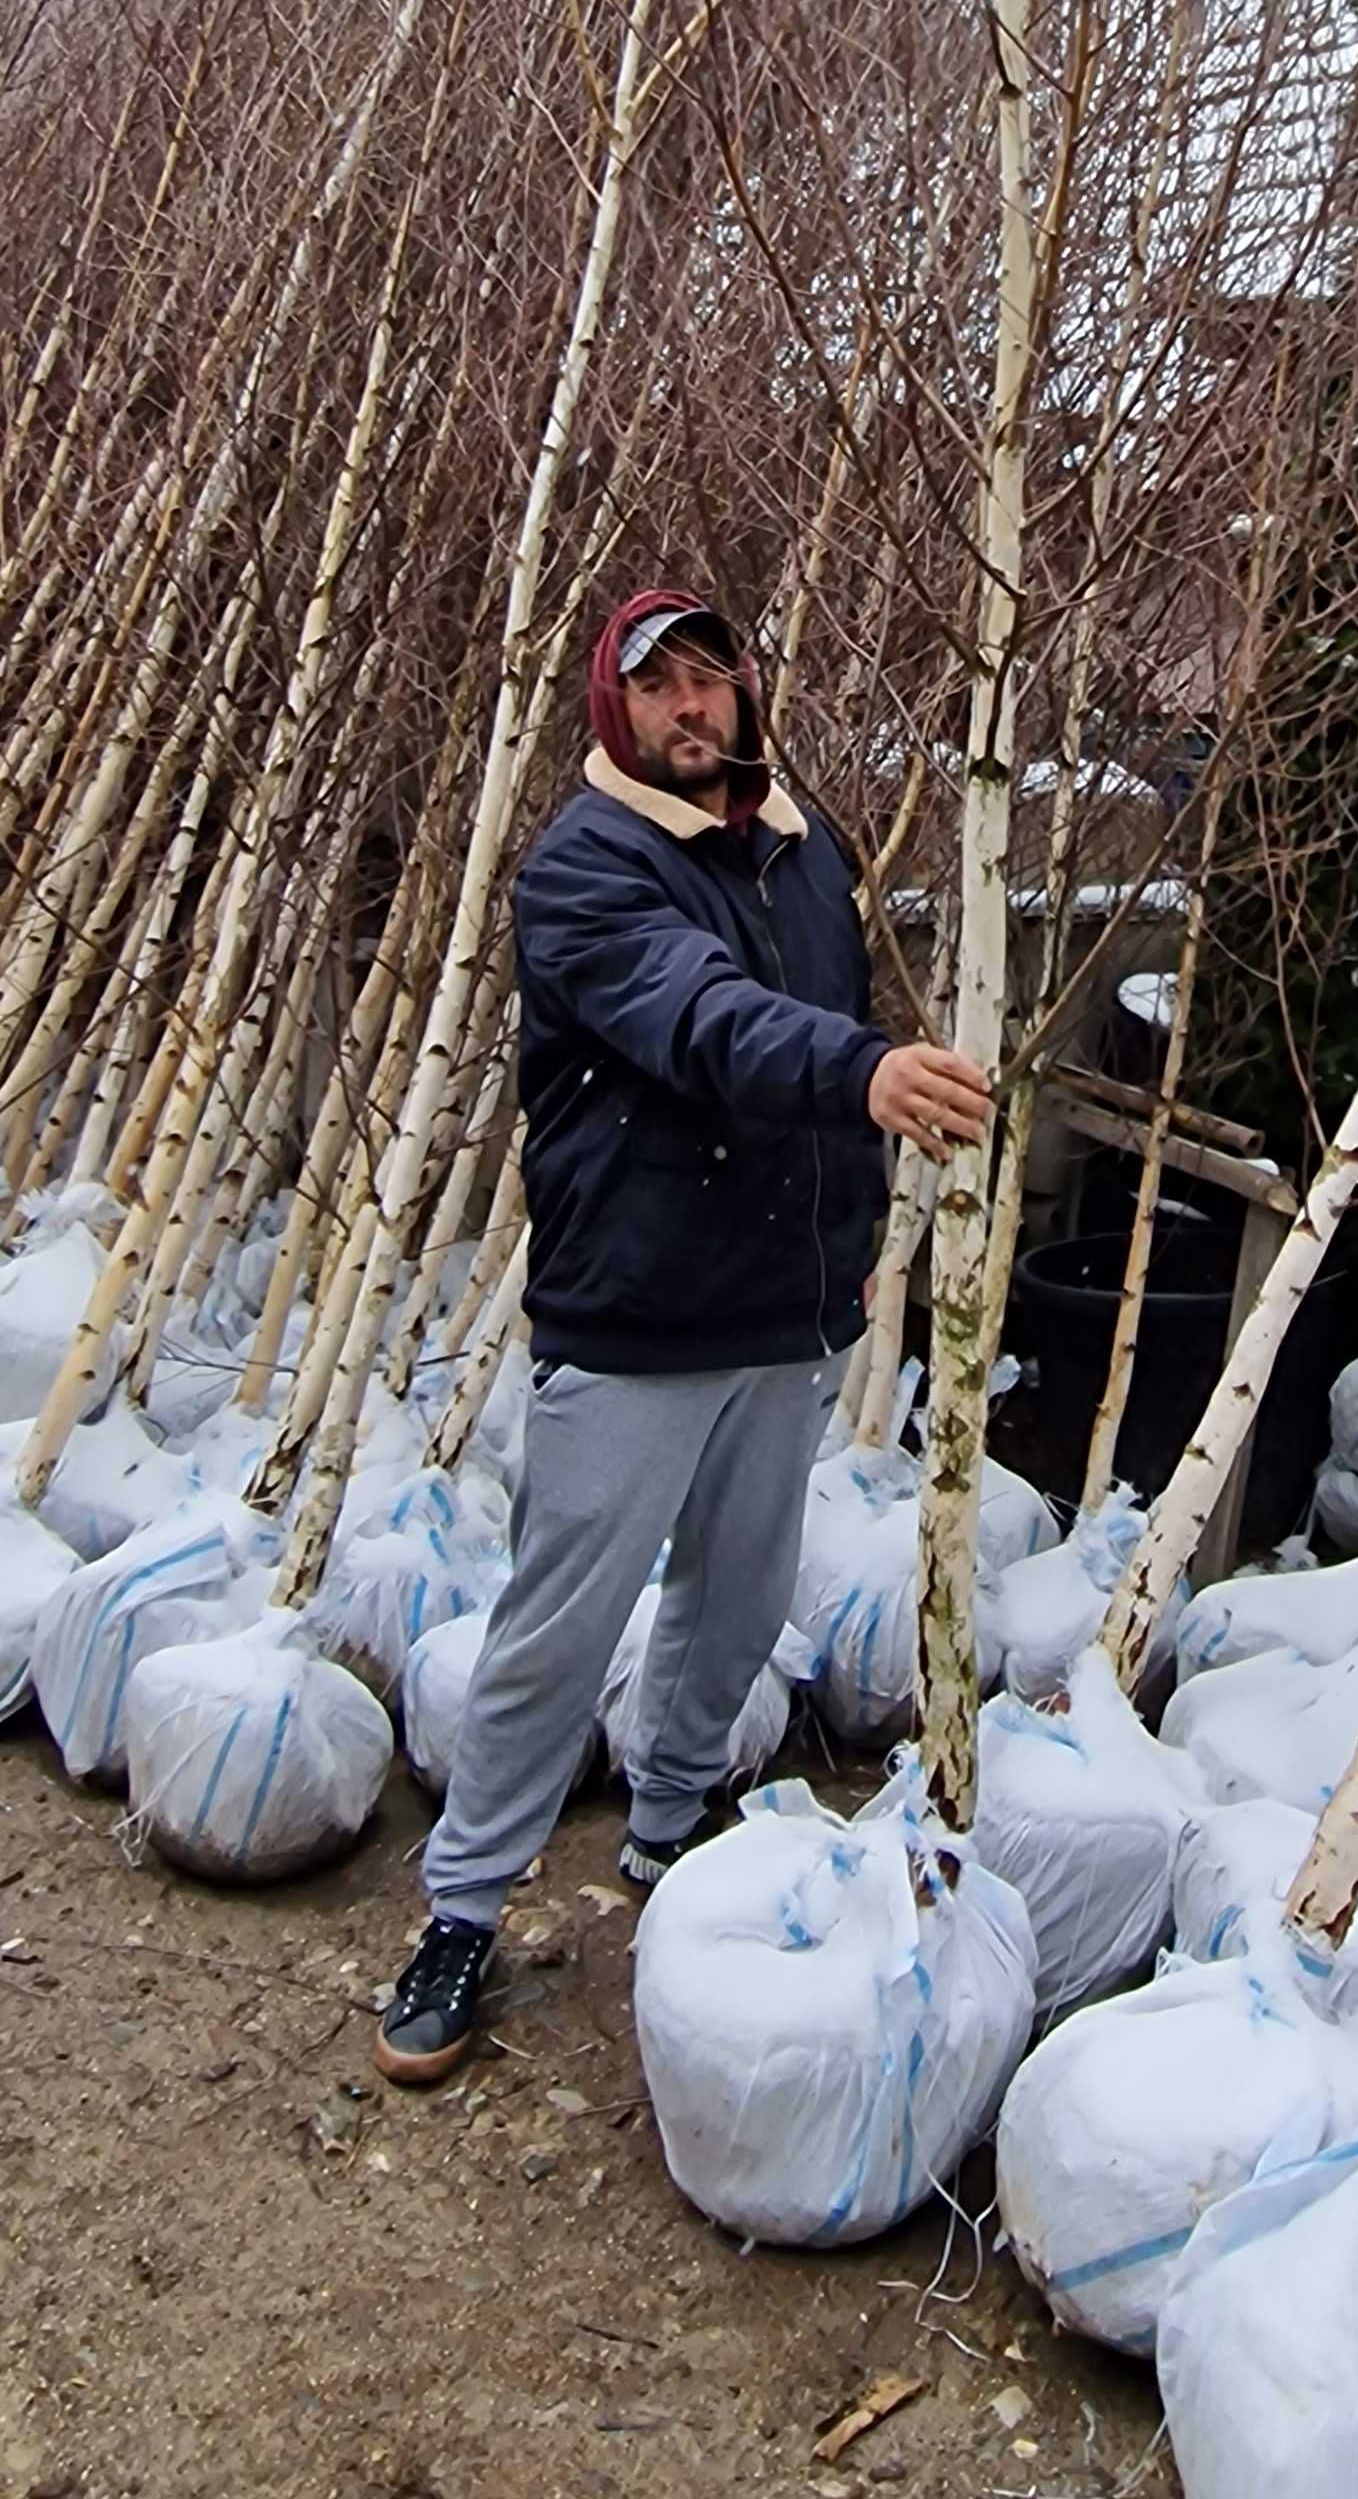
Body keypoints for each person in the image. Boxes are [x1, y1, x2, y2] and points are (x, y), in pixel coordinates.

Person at [374, 586, 990, 2086]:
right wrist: (860, 1075)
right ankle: (461, 1907)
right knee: (560, 1622)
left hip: (785, 1307)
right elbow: (696, 1015)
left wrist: (849, 1249)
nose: (691, 709)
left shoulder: (801, 845)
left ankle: (671, 1827)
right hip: (641, 1313)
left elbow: (816, 1003)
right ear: (615, 709)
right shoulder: (584, 870)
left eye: (712, 680)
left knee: (740, 1597)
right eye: (661, 689)